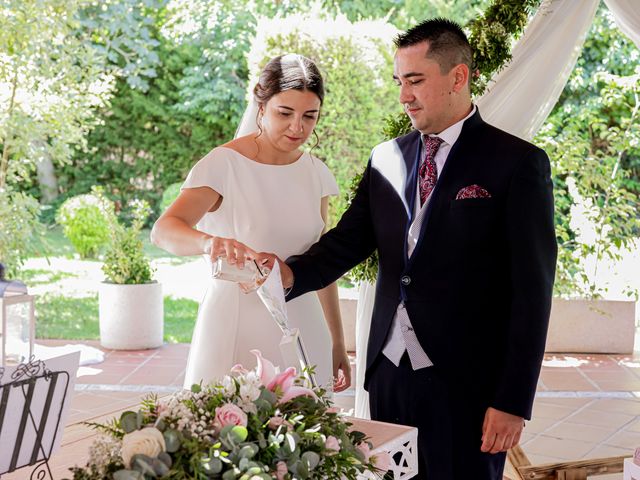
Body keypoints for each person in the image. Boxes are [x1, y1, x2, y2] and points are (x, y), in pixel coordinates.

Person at [261, 19, 557, 480]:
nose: (404, 96)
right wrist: (287, 274)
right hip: (389, 371)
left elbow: (532, 294)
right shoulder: (386, 157)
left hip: (471, 383)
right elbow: (347, 242)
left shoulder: (517, 163)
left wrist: (512, 401)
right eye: (400, 81)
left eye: (416, 80)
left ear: (458, 77)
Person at [150, 54, 351, 393]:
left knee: (310, 436)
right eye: (284, 113)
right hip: (238, 325)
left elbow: (321, 266)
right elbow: (164, 229)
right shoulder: (223, 165)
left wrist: (336, 341)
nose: (297, 128)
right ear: (261, 106)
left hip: (304, 326)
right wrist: (207, 243)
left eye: (309, 116)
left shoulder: (316, 173)